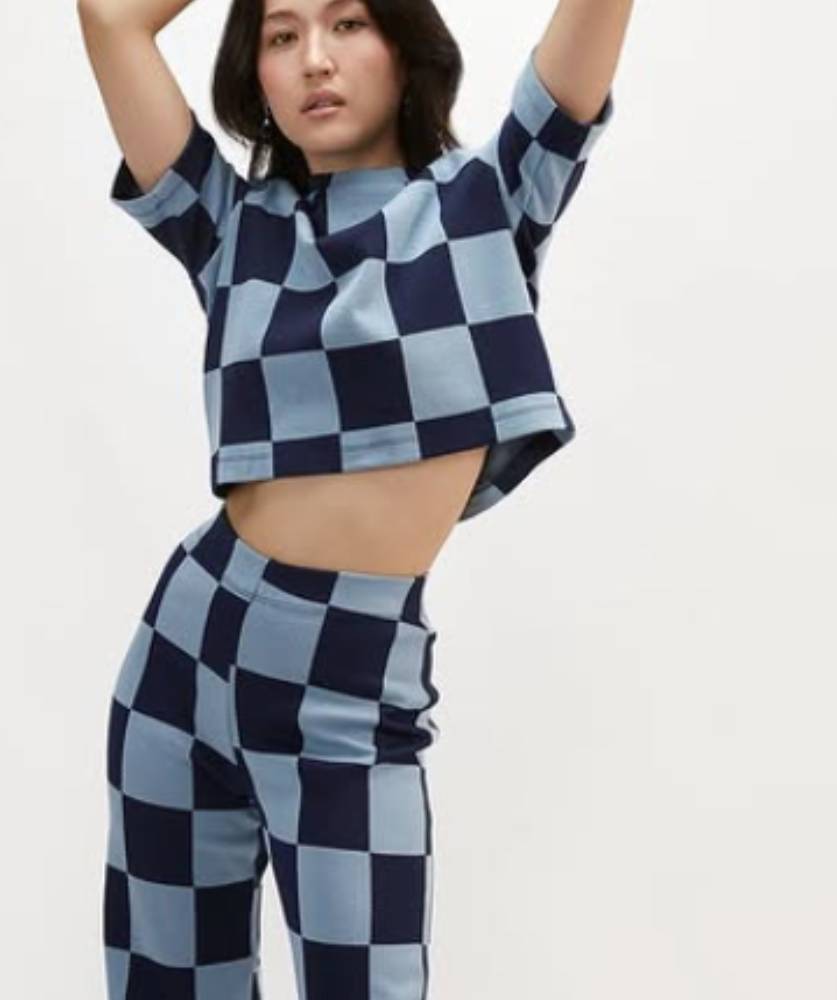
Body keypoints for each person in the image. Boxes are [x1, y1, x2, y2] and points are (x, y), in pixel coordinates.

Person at [78, 0, 630, 996]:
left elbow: (584, 45)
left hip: (349, 675)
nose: (314, 60)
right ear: (256, 73)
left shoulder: (484, 205)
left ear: (404, 49)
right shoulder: (235, 227)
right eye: (281, 35)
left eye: (346, 24)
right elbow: (111, 19)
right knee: (168, 983)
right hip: (185, 653)